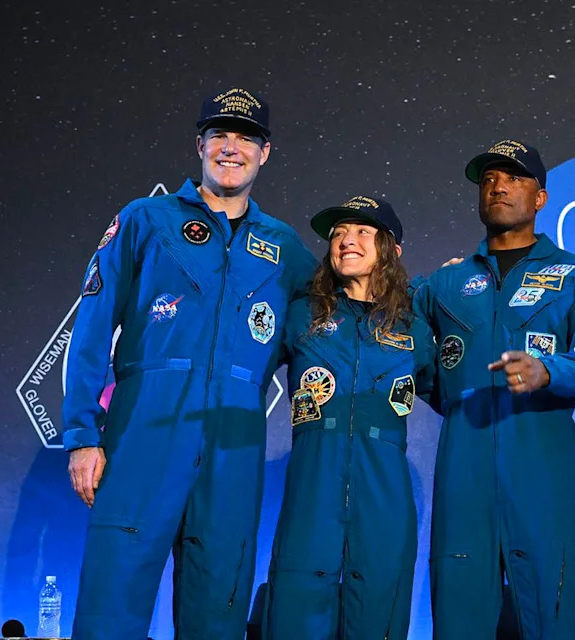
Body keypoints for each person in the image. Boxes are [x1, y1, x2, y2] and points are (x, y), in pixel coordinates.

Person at [62, 87, 317, 639]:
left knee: (218, 608)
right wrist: (82, 434)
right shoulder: (145, 219)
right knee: (112, 603)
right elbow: (92, 326)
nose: (231, 148)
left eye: (245, 138)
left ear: (265, 153)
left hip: (234, 446)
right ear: (200, 145)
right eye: (219, 135)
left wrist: (413, 293)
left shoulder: (285, 247)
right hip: (144, 433)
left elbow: (336, 319)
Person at [413, 141, 575, 639]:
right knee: (457, 617)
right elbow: (411, 356)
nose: (498, 187)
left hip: (542, 468)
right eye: (489, 179)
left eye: (513, 178)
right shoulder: (445, 283)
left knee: (554, 617)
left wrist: (547, 372)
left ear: (540, 198)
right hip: (464, 470)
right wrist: (455, 397)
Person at [263, 195, 435, 639]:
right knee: (295, 610)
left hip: (384, 491)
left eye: (362, 231)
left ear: (392, 249)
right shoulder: (301, 314)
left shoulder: (415, 327)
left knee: (378, 610)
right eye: (338, 233)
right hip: (312, 485)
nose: (345, 240)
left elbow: (455, 392)